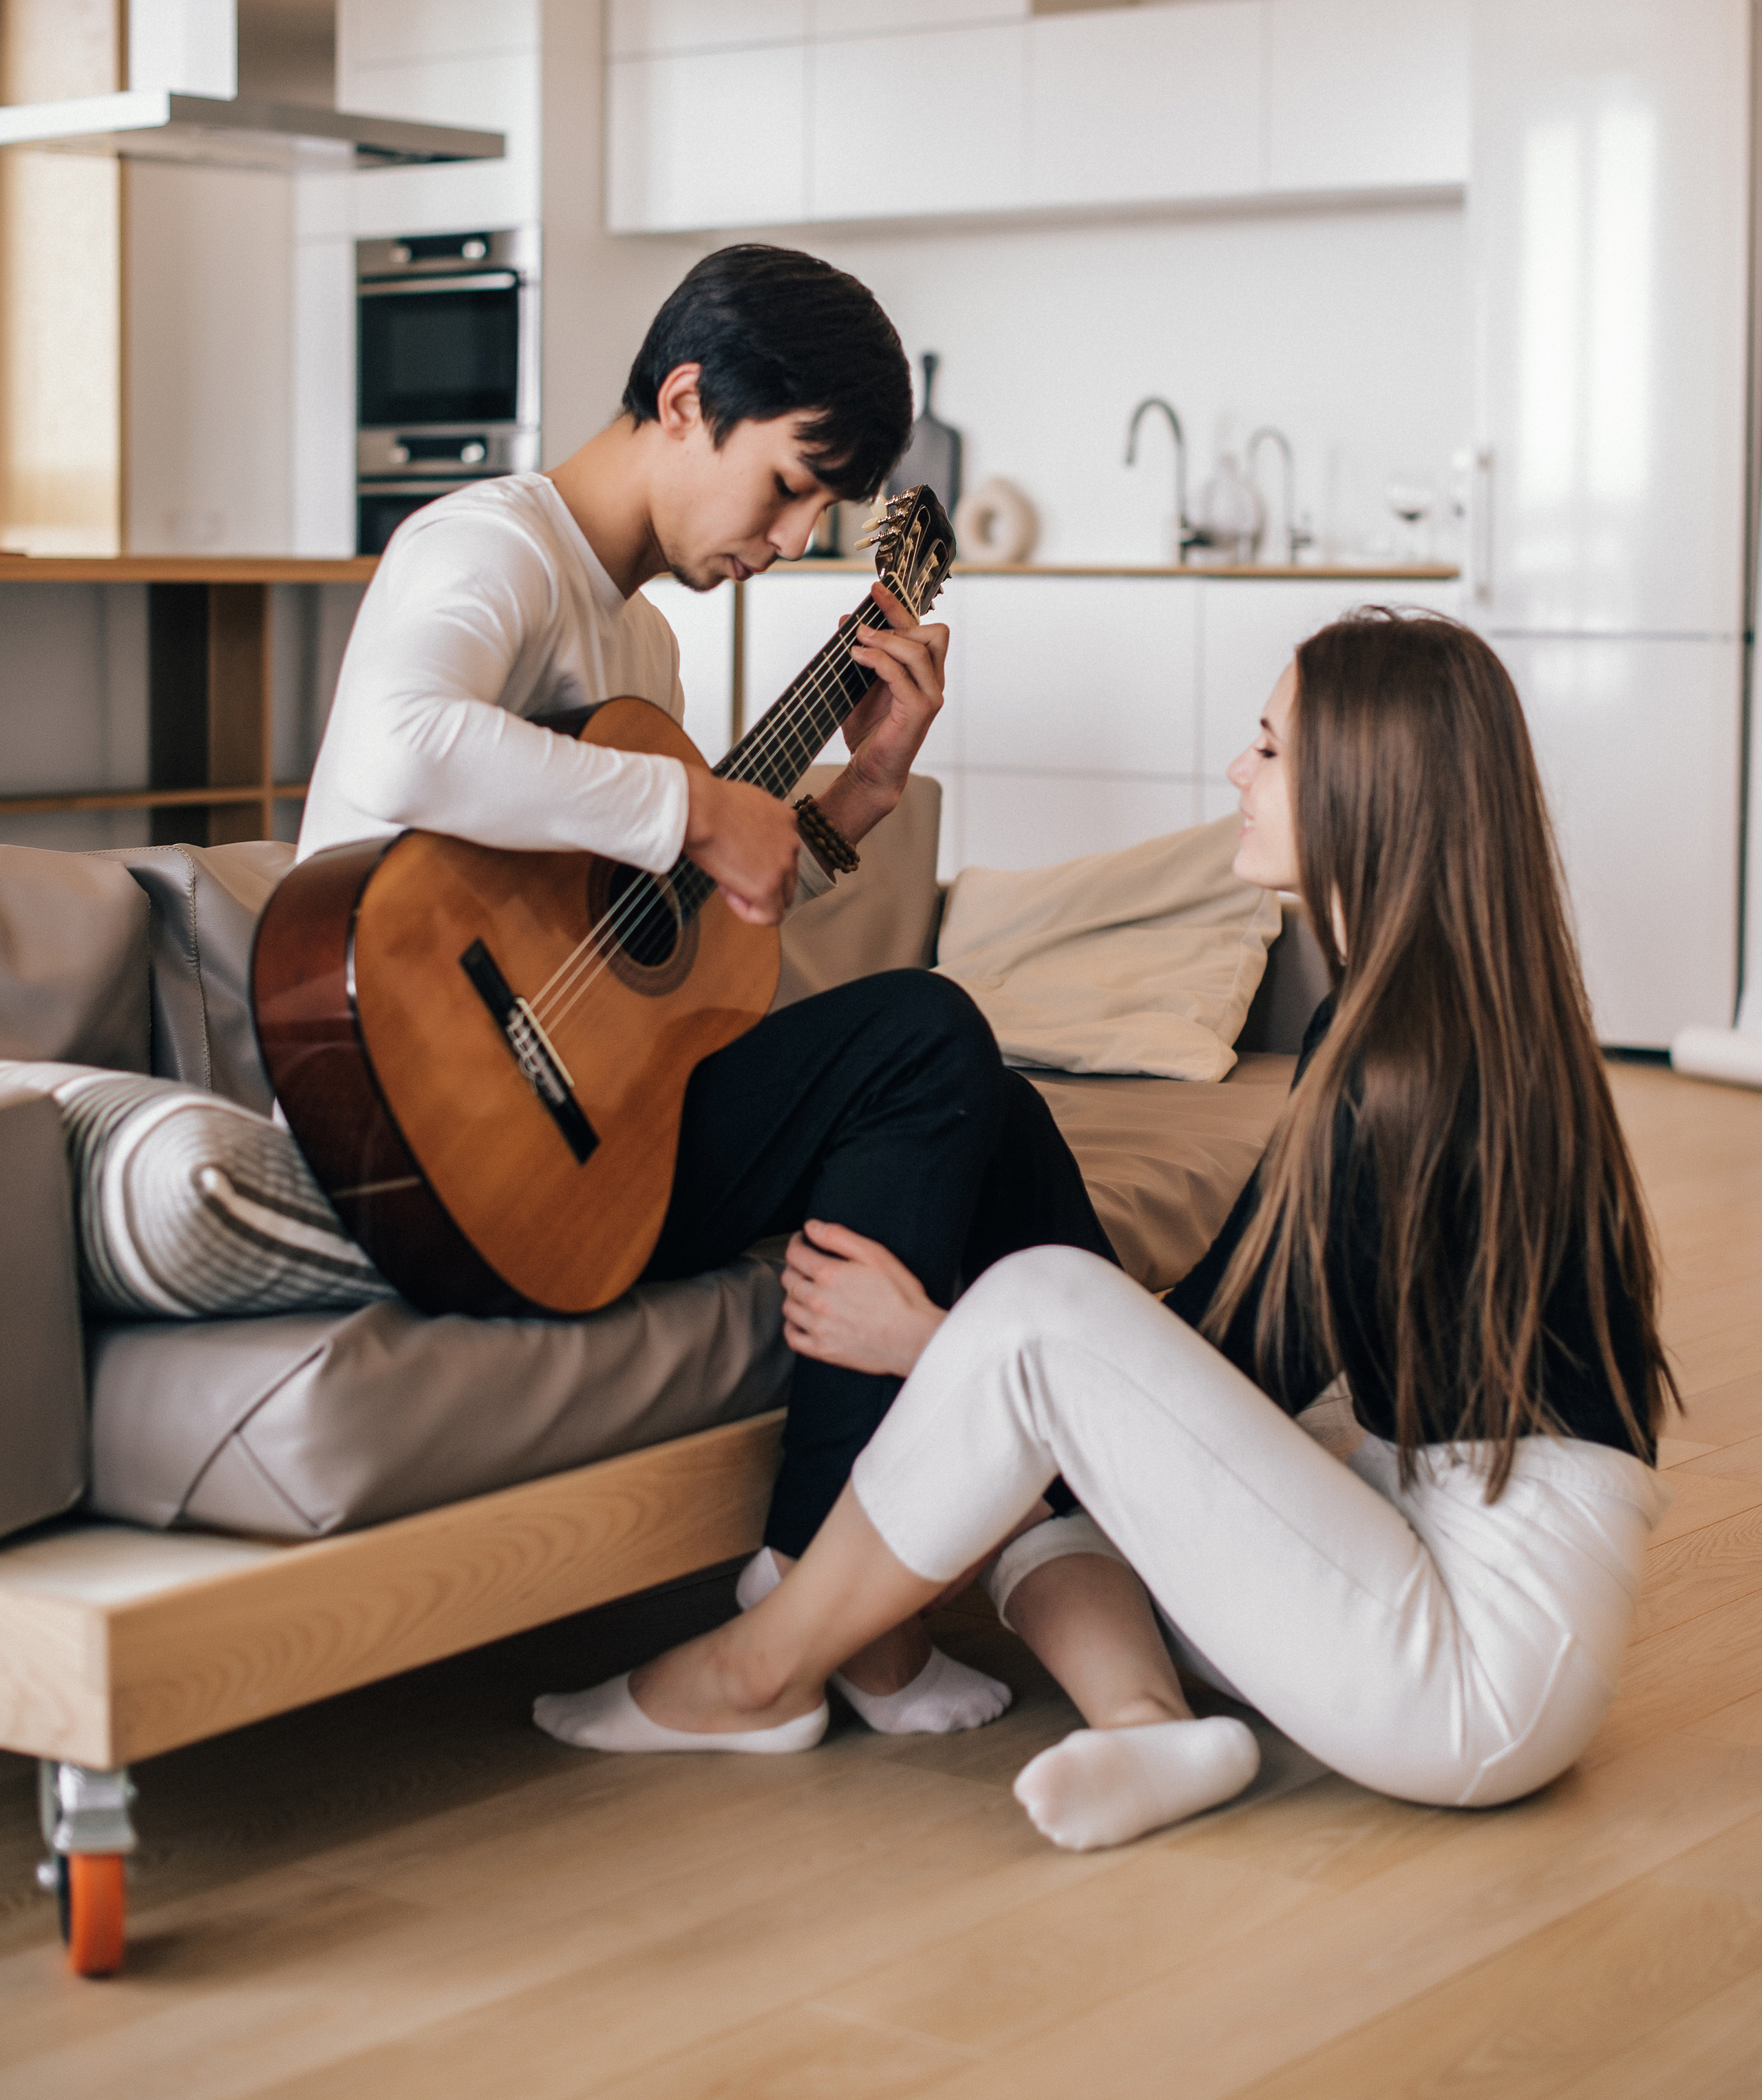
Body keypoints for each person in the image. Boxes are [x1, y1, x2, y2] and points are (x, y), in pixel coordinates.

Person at [535, 611, 1677, 1855]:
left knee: (1039, 1311)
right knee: (1009, 1135)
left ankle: (758, 1670)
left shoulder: (1408, 1074)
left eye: (1270, 749)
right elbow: (1219, 1333)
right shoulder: (1412, 1019)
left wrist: (937, 1340)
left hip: (1474, 1675)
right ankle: (1142, 1721)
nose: (1238, 774)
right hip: (1409, 1574)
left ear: (1369, 787)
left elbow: (1230, 1367)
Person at [301, 242, 1115, 1735]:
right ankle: (814, 1592)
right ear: (685, 400)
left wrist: (855, 796)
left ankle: (1079, 1530)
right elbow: (402, 747)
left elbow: (653, 941)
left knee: (985, 1111)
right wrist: (688, 810)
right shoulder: (484, 548)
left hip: (580, 1125)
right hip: (429, 1127)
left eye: (824, 510)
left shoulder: (637, 645)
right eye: (791, 484)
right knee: (925, 1029)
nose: (797, 537)